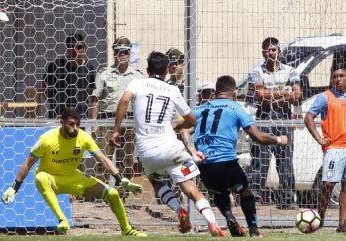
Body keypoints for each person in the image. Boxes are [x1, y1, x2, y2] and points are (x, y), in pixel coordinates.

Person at [110, 51, 224, 236]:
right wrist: (177, 125)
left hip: (147, 151)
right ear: (165, 71)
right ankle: (212, 223)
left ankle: (179, 211)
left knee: (155, 180)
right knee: (190, 187)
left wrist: (116, 129)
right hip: (172, 148)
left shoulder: (137, 82)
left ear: (147, 70)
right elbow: (192, 120)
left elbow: (124, 100)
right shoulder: (172, 90)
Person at [1, 107, 146, 237]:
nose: (75, 128)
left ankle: (126, 230)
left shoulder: (83, 137)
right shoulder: (47, 139)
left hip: (73, 178)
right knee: (40, 177)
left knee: (113, 194)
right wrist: (14, 188)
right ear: (61, 122)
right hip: (51, 179)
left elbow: (103, 158)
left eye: (78, 124)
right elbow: (28, 163)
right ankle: (63, 220)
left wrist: (120, 179)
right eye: (71, 124)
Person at [180, 75, 288, 237]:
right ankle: (254, 230)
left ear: (216, 92)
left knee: (219, 192)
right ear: (234, 92)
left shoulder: (199, 109)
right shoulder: (236, 108)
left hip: (204, 165)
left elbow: (183, 130)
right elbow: (256, 136)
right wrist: (279, 139)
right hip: (227, 162)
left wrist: (192, 150)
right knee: (245, 192)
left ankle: (229, 217)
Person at [248, 37, 302, 209]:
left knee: (285, 160)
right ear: (263, 52)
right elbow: (259, 94)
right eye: (267, 50)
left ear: (279, 51)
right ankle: (255, 197)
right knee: (260, 159)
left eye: (274, 49)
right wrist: (283, 93)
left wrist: (272, 96)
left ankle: (287, 199)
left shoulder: (290, 70)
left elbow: (297, 95)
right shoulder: (256, 71)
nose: (271, 53)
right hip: (263, 117)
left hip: (283, 118)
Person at [89, 36, 143, 188]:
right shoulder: (104, 73)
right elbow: (95, 100)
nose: (122, 54)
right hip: (108, 121)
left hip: (130, 121)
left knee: (126, 160)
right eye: (118, 51)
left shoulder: (137, 76)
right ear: (114, 53)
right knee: (103, 157)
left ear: (129, 53)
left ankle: (123, 193)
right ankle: (101, 192)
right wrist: (94, 124)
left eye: (125, 51)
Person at [304, 63, 346, 232]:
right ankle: (318, 218)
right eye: (335, 76)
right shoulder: (325, 97)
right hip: (334, 148)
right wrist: (319, 138)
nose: (337, 79)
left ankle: (343, 224)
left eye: (341, 76)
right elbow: (308, 118)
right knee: (328, 184)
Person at [43, 33, 96, 118]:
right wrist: (53, 101)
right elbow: (44, 87)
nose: (75, 50)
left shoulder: (90, 68)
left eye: (79, 47)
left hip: (80, 116)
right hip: (58, 115)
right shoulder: (56, 65)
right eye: (72, 47)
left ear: (84, 49)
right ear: (67, 49)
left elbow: (91, 92)